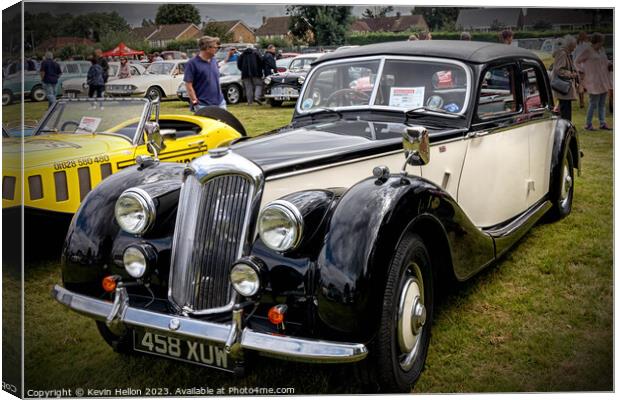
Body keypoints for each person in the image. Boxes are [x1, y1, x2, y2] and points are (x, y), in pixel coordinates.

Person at [576, 33, 613, 131]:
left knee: (602, 103)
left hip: (603, 79)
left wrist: (610, 64)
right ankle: (588, 124)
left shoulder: (602, 50)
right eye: (601, 41)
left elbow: (605, 61)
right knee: (593, 103)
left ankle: (603, 123)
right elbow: (577, 61)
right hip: (593, 80)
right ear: (597, 41)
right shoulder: (588, 50)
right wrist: (581, 71)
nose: (602, 43)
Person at [183, 36, 226, 111]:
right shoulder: (192, 64)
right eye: (215, 47)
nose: (217, 50)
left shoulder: (214, 60)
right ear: (207, 48)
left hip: (220, 103)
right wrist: (195, 102)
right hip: (203, 105)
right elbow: (188, 85)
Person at [551, 35, 578, 122]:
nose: (574, 49)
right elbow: (559, 70)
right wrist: (571, 74)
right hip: (563, 86)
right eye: (573, 47)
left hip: (564, 87)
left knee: (565, 110)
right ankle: (565, 128)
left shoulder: (565, 53)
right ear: (569, 45)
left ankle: (566, 127)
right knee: (565, 113)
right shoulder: (562, 54)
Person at [573, 31, 590, 108]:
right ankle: (582, 101)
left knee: (585, 85)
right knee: (581, 85)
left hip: (586, 68)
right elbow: (574, 59)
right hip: (581, 69)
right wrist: (577, 69)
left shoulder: (586, 45)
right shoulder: (578, 47)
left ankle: (584, 101)